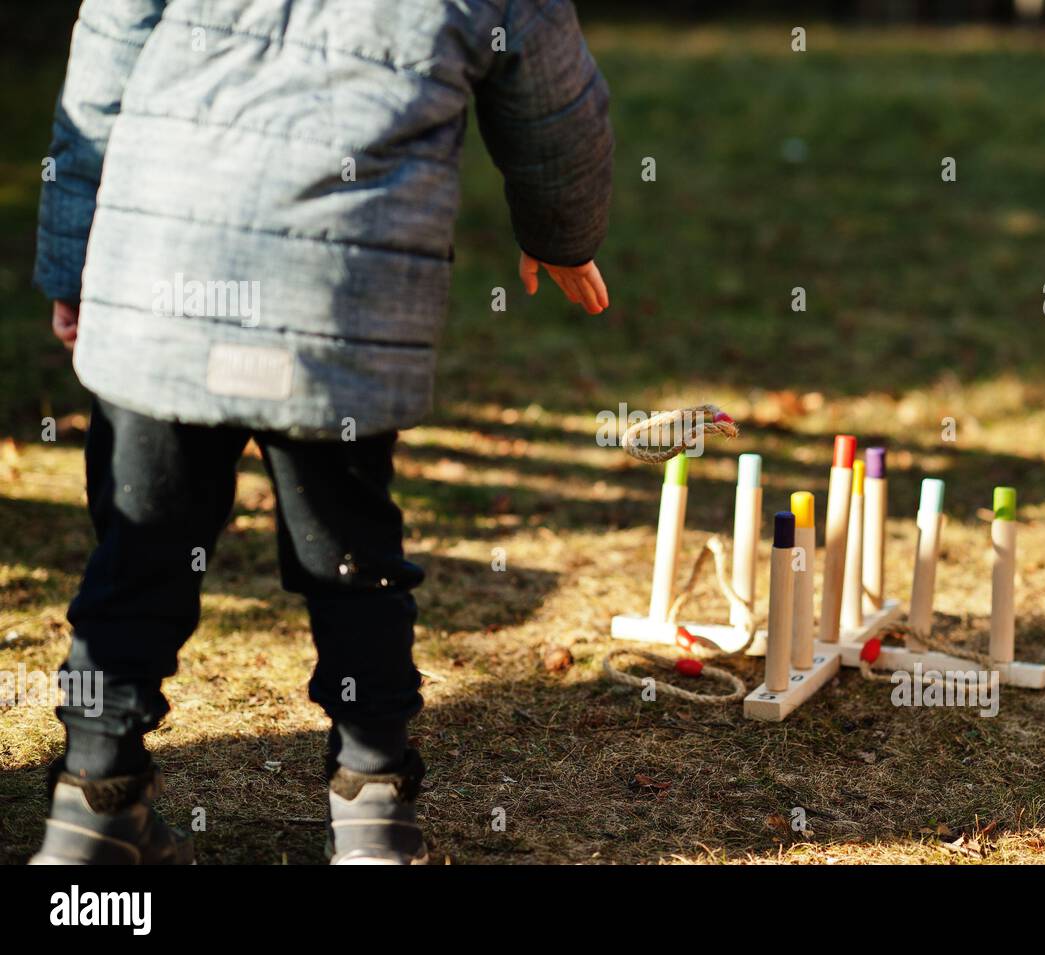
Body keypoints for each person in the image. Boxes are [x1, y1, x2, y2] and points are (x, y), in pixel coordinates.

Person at [31, 0, 612, 865]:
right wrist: (563, 235)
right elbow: (555, 103)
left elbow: (103, 68)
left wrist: (72, 258)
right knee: (353, 558)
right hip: (336, 302)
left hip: (161, 277)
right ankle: (374, 807)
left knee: (138, 545)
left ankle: (93, 799)